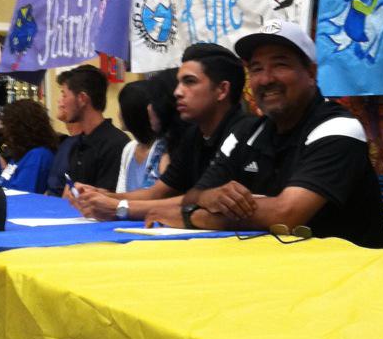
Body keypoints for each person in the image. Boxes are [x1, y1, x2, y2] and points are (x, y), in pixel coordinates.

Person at [148, 21, 383, 249]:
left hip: (350, 276)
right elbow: (193, 195)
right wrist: (211, 196)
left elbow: (287, 215)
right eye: (256, 69)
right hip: (273, 268)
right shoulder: (246, 132)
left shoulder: (338, 127)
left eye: (280, 64)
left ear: (311, 72)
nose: (266, 79)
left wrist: (199, 217)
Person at [72, 44, 252, 221]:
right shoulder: (193, 135)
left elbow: (199, 200)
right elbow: (158, 192)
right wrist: (99, 196)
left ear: (222, 90)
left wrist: (119, 208)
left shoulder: (243, 133)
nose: (177, 92)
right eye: (179, 82)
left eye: (190, 82)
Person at [58, 64, 129, 192]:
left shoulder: (116, 145)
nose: (61, 103)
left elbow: (106, 202)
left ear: (82, 99)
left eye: (64, 95)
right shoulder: (77, 144)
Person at [114, 70, 181, 193]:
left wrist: (108, 199)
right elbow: (121, 192)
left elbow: (156, 196)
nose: (118, 114)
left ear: (133, 113)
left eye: (121, 108)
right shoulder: (129, 148)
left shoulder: (164, 148)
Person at [0, 98, 57, 193]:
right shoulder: (21, 153)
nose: (5, 132)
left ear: (20, 129)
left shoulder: (38, 155)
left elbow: (21, 195)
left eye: (8, 127)